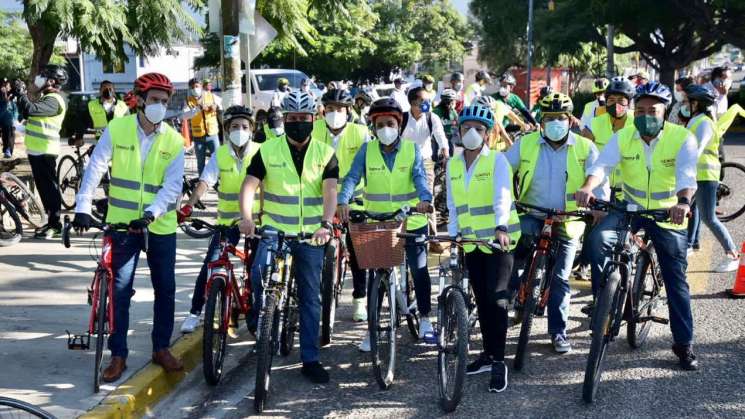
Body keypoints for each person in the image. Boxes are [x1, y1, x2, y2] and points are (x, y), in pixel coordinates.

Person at [576, 81, 700, 371]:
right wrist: (587, 187)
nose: (646, 115)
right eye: (641, 110)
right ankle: (603, 307)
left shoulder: (682, 137)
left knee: (675, 278)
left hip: (667, 213)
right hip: (628, 207)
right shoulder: (624, 137)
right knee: (596, 245)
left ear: (665, 111)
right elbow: (602, 166)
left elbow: (686, 175)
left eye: (653, 110)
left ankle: (684, 344)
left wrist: (683, 202)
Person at [72, 72, 185, 382]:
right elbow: (96, 166)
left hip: (159, 226)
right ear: (139, 100)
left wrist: (150, 213)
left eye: (164, 101)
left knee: (166, 290)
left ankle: (161, 348)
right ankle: (117, 355)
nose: (160, 106)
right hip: (121, 225)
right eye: (154, 100)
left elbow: (172, 187)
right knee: (119, 293)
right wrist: (82, 205)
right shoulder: (117, 128)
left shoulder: (174, 140)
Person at [238, 90, 338, 384]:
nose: (298, 123)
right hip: (275, 231)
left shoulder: (325, 153)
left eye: (303, 119)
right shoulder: (266, 151)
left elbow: (330, 190)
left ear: (313, 119)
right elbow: (249, 185)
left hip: (310, 235)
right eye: (292, 119)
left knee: (310, 297)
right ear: (285, 119)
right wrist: (246, 217)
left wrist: (326, 223)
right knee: (257, 273)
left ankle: (310, 359)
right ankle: (263, 318)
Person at [504, 92, 604, 353]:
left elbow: (598, 174)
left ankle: (558, 332)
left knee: (560, 277)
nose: (555, 123)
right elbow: (502, 170)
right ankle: (514, 297)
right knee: (512, 257)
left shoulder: (585, 147)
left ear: (570, 120)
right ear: (541, 121)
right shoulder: (525, 143)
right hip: (531, 214)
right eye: (549, 118)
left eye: (560, 118)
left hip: (568, 221)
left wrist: (594, 201)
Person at [337, 97, 434, 351]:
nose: (385, 129)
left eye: (390, 123)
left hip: (411, 220)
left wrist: (425, 199)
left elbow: (420, 178)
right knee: (376, 278)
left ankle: (425, 318)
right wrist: (343, 201)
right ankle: (371, 330)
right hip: (379, 223)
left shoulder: (411, 150)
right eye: (380, 125)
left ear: (399, 124)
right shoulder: (366, 150)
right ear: (373, 126)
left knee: (419, 268)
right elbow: (351, 178)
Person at [446, 104, 520, 392]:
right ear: (459, 132)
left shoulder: (497, 161)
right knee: (481, 298)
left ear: (488, 134)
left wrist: (501, 226)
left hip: (499, 241)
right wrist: (454, 235)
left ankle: (499, 362)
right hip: (472, 242)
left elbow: (502, 196)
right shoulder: (453, 164)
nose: (472, 133)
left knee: (497, 299)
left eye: (478, 129)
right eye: (467, 129)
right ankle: (488, 355)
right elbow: (453, 204)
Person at [179, 106, 262, 333]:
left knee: (258, 271)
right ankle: (195, 313)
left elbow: (267, 187)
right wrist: (189, 204)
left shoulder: (261, 151)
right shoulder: (221, 154)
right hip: (227, 222)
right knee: (211, 264)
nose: (240, 130)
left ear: (252, 130)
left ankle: (258, 315)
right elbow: (205, 181)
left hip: (258, 222)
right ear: (226, 130)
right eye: (235, 127)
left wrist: (263, 214)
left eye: (245, 127)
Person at [311, 88, 371, 322]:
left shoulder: (361, 132)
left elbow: (367, 166)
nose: (335, 113)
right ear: (323, 110)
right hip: (321, 200)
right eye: (331, 109)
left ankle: (359, 300)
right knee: (312, 249)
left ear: (348, 111)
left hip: (354, 201)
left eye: (340, 109)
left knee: (358, 253)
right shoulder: (314, 130)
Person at [682, 84, 739, 272]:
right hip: (697, 175)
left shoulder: (704, 123)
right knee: (679, 210)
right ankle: (681, 248)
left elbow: (697, 150)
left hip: (705, 176)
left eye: (688, 101)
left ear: (697, 103)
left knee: (709, 218)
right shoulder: (695, 120)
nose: (685, 104)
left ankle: (732, 255)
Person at [14, 65, 68, 238]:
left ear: (51, 81)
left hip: (45, 150)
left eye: (43, 76)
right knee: (44, 189)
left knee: (50, 190)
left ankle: (56, 225)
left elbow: (31, 110)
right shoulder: (47, 98)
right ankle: (51, 223)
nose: (39, 79)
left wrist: (22, 94)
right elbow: (31, 115)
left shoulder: (54, 99)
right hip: (37, 150)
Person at [401, 86, 450, 240]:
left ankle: (432, 238)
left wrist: (445, 150)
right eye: (423, 100)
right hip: (403, 164)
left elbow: (440, 136)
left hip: (425, 163)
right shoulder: (402, 119)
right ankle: (402, 235)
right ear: (413, 103)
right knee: (403, 198)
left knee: (427, 199)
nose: (427, 103)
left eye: (428, 100)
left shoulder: (431, 118)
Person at [582, 76, 636, 200]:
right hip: (600, 190)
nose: (616, 104)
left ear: (629, 102)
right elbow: (584, 153)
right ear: (605, 101)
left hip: (627, 193)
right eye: (611, 100)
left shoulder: (637, 123)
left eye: (621, 100)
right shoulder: (594, 123)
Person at [183, 78, 220, 175]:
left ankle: (217, 182)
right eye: (192, 87)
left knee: (218, 160)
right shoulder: (188, 101)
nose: (195, 89)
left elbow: (222, 105)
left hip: (212, 134)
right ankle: (202, 184)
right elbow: (185, 115)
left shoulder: (211, 96)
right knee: (200, 163)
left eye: (197, 86)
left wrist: (216, 106)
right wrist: (198, 108)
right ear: (190, 89)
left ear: (201, 86)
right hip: (198, 137)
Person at [433, 89, 460, 154]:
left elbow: (458, 122)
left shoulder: (453, 111)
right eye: (454, 101)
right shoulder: (437, 111)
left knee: (450, 153)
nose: (455, 103)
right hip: (438, 138)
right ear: (450, 102)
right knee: (436, 156)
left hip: (449, 137)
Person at [0, 79, 18, 158]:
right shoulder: (1, 100)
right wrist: (5, 103)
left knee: (12, 135)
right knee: (6, 134)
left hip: (11, 122)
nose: (7, 88)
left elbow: (16, 111)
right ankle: (6, 150)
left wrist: (15, 119)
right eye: (5, 86)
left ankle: (9, 151)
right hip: (3, 122)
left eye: (8, 86)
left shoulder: (12, 100)